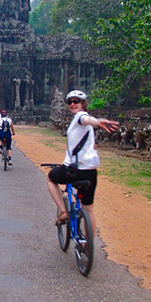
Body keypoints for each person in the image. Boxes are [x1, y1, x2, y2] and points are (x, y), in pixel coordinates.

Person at [46, 90, 118, 237]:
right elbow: (92, 144)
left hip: (74, 170)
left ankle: (63, 211)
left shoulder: (80, 117)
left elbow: (86, 119)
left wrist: (98, 122)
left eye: (76, 101)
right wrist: (96, 123)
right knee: (88, 209)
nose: (73, 104)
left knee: (50, 178)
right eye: (70, 102)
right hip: (91, 171)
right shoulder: (88, 130)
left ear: (83, 104)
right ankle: (88, 245)